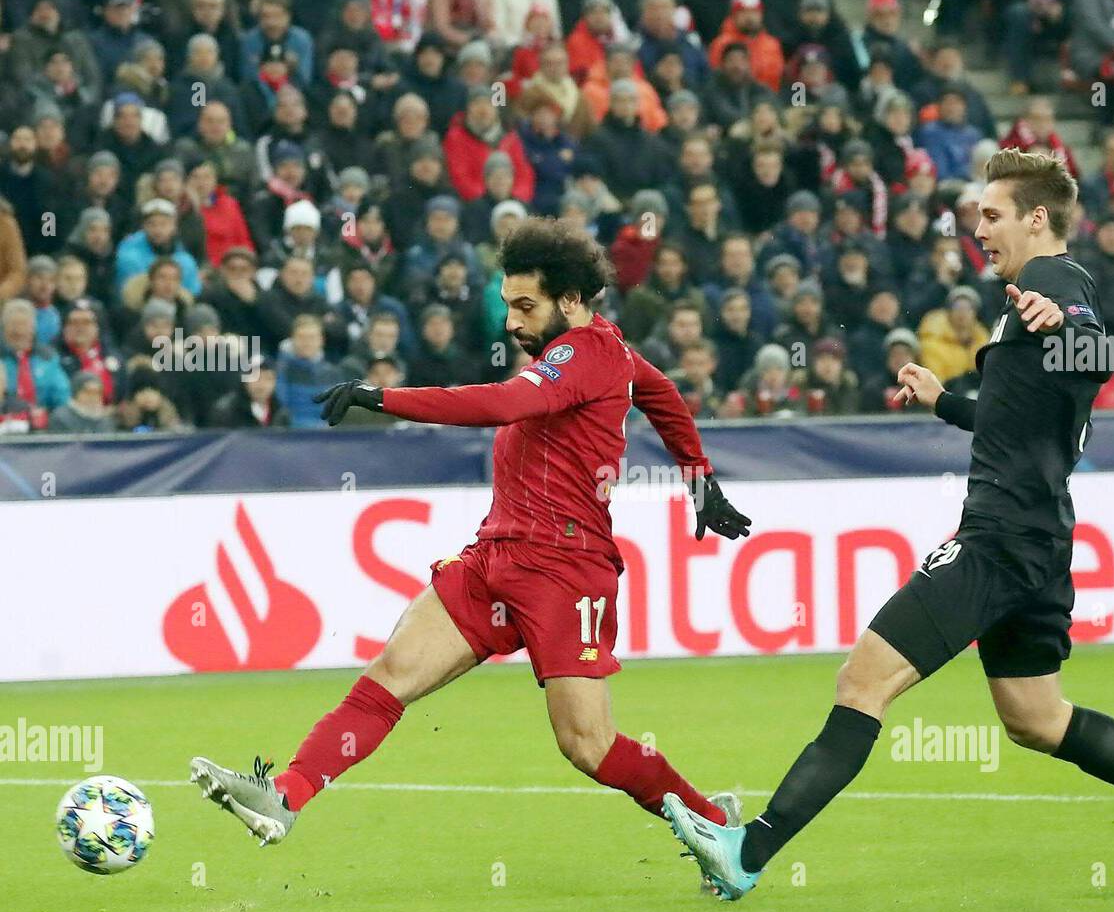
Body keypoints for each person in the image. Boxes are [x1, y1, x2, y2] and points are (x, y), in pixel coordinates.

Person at [663, 149, 1114, 900]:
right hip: (1041, 537)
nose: (977, 228)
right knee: (1037, 718)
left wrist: (1068, 328)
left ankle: (749, 851)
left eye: (992, 213)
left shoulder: (1052, 284)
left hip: (1001, 538)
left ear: (1037, 218)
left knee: (861, 682)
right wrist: (945, 398)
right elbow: (1017, 417)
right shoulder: (1041, 292)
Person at [189, 218, 753, 856]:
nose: (511, 322)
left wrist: (383, 397)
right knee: (393, 671)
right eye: (508, 304)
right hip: (497, 558)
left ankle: (717, 821)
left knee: (587, 745)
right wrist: (699, 479)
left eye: (526, 306)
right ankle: (286, 795)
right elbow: (662, 394)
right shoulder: (603, 354)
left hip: (565, 568)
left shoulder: (587, 352)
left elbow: (502, 403)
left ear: (571, 299)